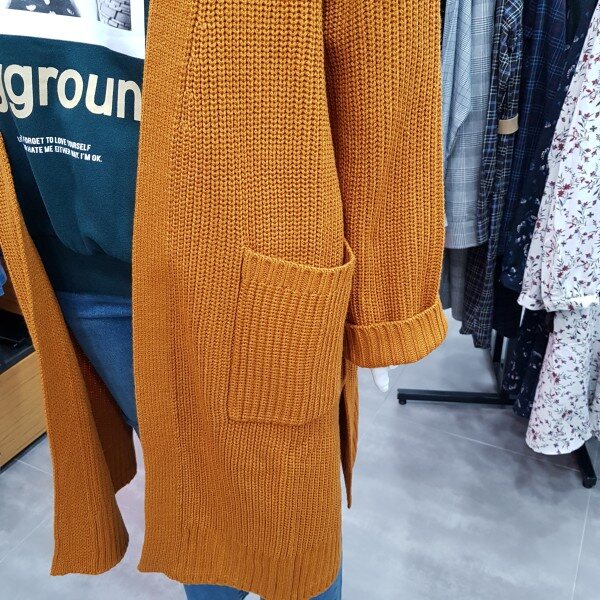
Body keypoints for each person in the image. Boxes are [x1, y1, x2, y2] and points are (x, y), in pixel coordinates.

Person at [0, 1, 446, 597]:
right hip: (61, 249)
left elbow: (387, 66)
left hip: (245, 272)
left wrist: (390, 297)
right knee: (197, 506)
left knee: (289, 531)